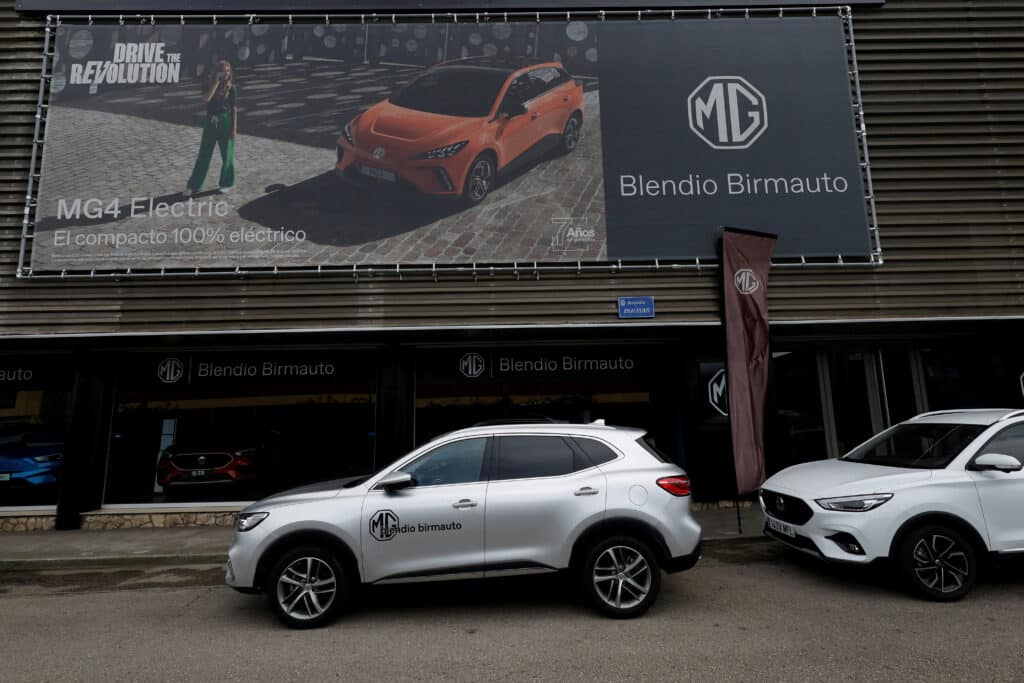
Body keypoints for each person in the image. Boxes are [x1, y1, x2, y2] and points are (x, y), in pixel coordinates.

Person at [184, 60, 237, 196]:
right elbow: (206, 99)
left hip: (225, 121)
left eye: (228, 71)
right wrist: (216, 82)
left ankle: (226, 183)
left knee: (227, 155)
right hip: (210, 122)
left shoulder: (232, 88)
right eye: (224, 71)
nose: (226, 73)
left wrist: (233, 129)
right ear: (217, 71)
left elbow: (234, 110)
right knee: (204, 154)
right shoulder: (208, 84)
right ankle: (194, 185)